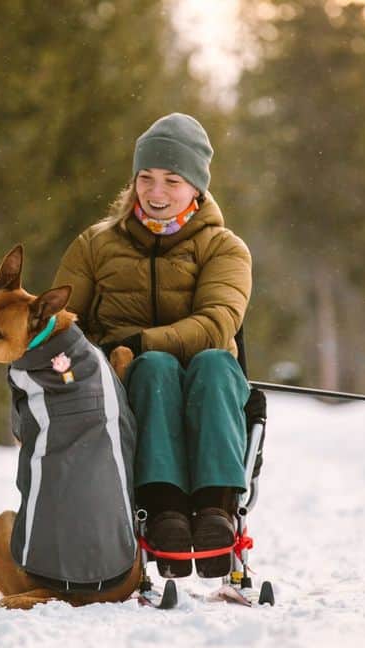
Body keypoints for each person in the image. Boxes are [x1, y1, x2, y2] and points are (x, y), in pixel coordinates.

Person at [51, 112, 252, 579]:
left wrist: (138, 341)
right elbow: (60, 322)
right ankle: (162, 512)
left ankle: (216, 512)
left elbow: (218, 321)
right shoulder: (95, 245)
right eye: (146, 177)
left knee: (216, 363)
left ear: (197, 189)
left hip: (207, 381)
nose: (155, 193)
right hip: (127, 385)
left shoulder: (225, 249)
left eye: (172, 180)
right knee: (156, 369)